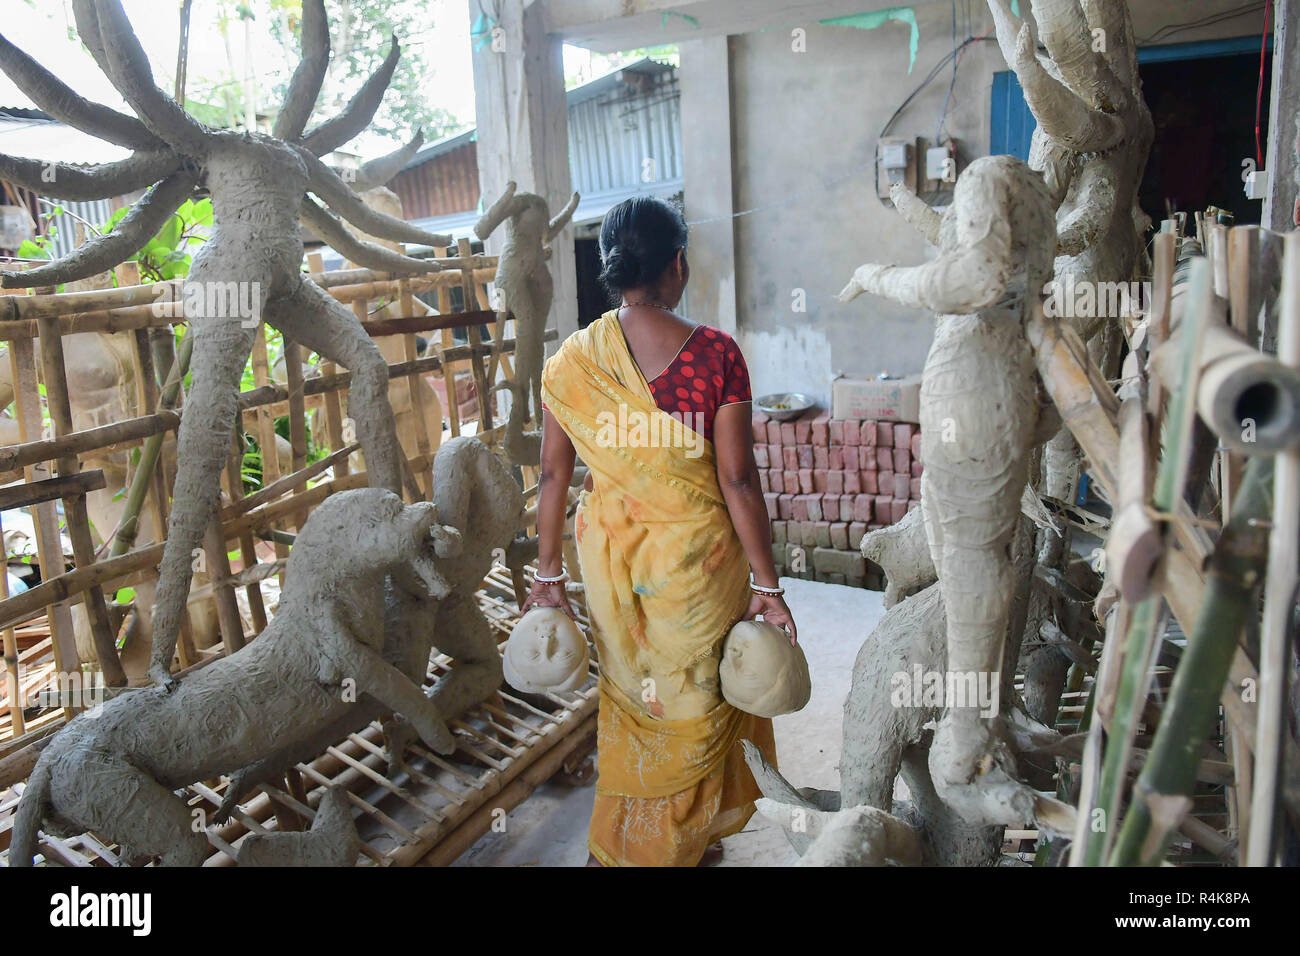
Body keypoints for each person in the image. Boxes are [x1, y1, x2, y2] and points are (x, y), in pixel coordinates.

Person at [524, 195, 796, 867]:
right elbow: (737, 482)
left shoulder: (570, 364)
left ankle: (642, 842)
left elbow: (553, 479)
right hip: (696, 565)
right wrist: (767, 583)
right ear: (676, 264)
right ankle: (675, 841)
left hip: (614, 564)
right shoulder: (715, 356)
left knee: (633, 697)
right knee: (697, 698)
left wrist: (548, 576)